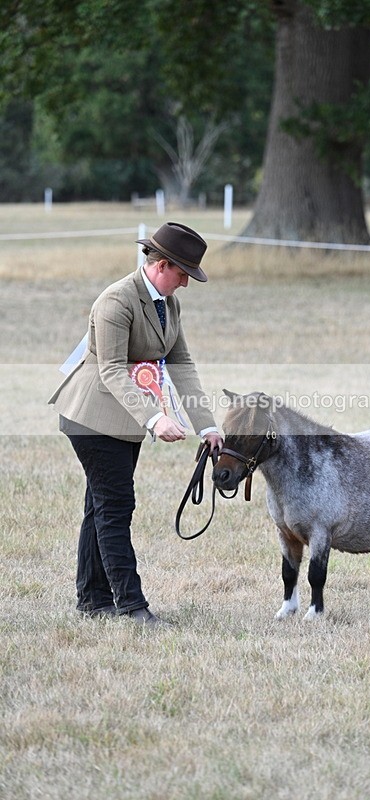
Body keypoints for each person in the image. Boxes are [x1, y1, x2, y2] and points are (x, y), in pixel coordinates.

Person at [49, 222, 224, 627]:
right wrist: (154, 417)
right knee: (116, 506)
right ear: (162, 265)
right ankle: (131, 606)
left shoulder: (169, 303)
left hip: (126, 418)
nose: (186, 283)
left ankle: (92, 600)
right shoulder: (116, 301)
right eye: (183, 274)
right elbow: (111, 370)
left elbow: (181, 365)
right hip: (92, 417)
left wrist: (206, 426)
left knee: (100, 506)